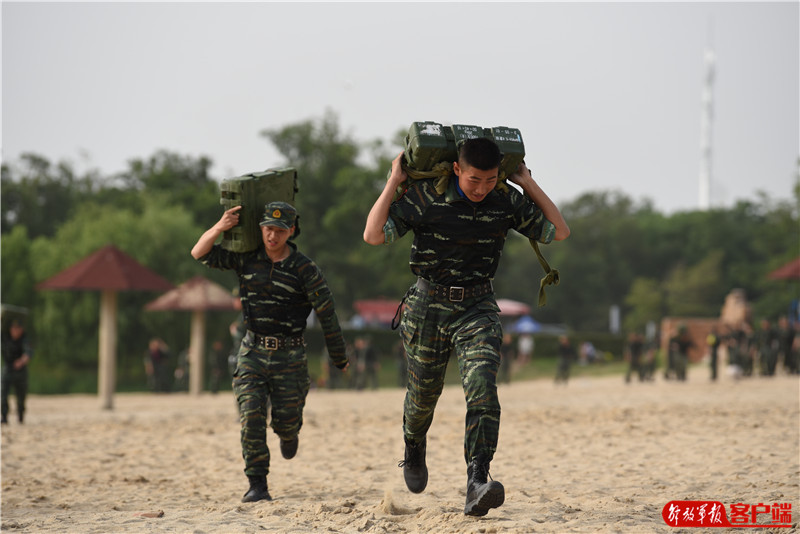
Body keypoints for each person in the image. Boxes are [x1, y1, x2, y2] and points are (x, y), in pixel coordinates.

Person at [363, 138, 569, 516]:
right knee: (424, 395)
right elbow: (373, 235)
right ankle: (413, 444)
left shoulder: (504, 200)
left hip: (477, 307)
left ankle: (477, 479)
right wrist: (393, 181)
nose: (481, 188)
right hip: (427, 306)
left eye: (490, 180)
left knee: (483, 389)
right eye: (475, 179)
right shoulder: (428, 196)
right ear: (457, 169)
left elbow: (558, 231)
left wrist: (527, 184)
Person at [192, 201, 349, 503]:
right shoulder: (247, 260)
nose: (272, 236)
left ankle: (289, 435)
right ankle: (257, 484)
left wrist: (339, 357)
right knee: (250, 414)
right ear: (260, 230)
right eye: (267, 229)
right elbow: (199, 253)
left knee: (287, 421)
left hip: (290, 357)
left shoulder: (305, 269)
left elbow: (327, 313)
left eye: (278, 231)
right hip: (251, 351)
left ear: (291, 231)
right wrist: (220, 227)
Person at [2, 319, 33, 424]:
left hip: (20, 371)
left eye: (17, 329)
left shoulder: (25, 340)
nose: (15, 331)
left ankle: (20, 416)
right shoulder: (5, 337)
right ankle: (4, 417)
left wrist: (21, 362)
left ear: (21, 330)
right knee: (3, 393)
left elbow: (28, 353)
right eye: (13, 328)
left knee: (21, 395)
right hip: (8, 368)